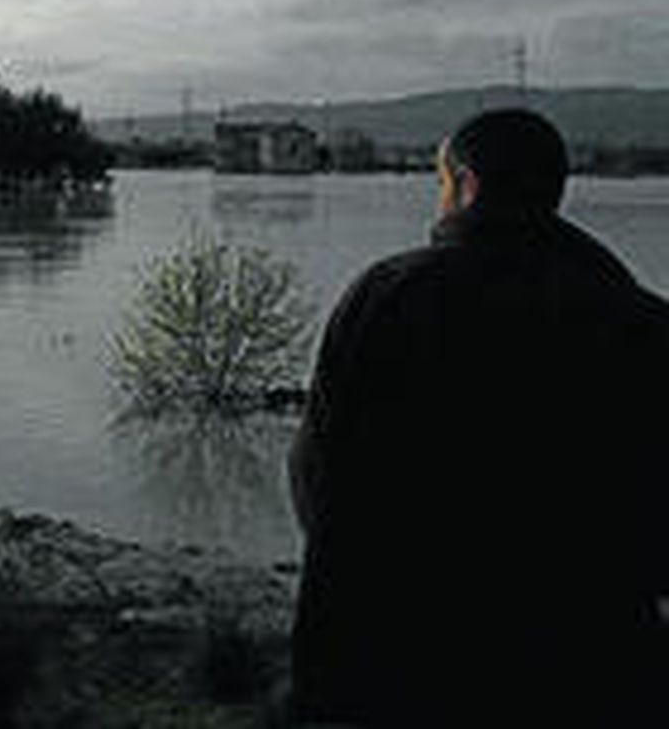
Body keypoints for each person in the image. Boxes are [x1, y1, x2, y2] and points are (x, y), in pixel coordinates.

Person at [286, 109, 667, 726]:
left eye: (440, 183)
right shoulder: (638, 318)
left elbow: (323, 483)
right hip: (592, 661)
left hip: (410, 652)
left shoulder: (386, 297)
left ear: (465, 184)